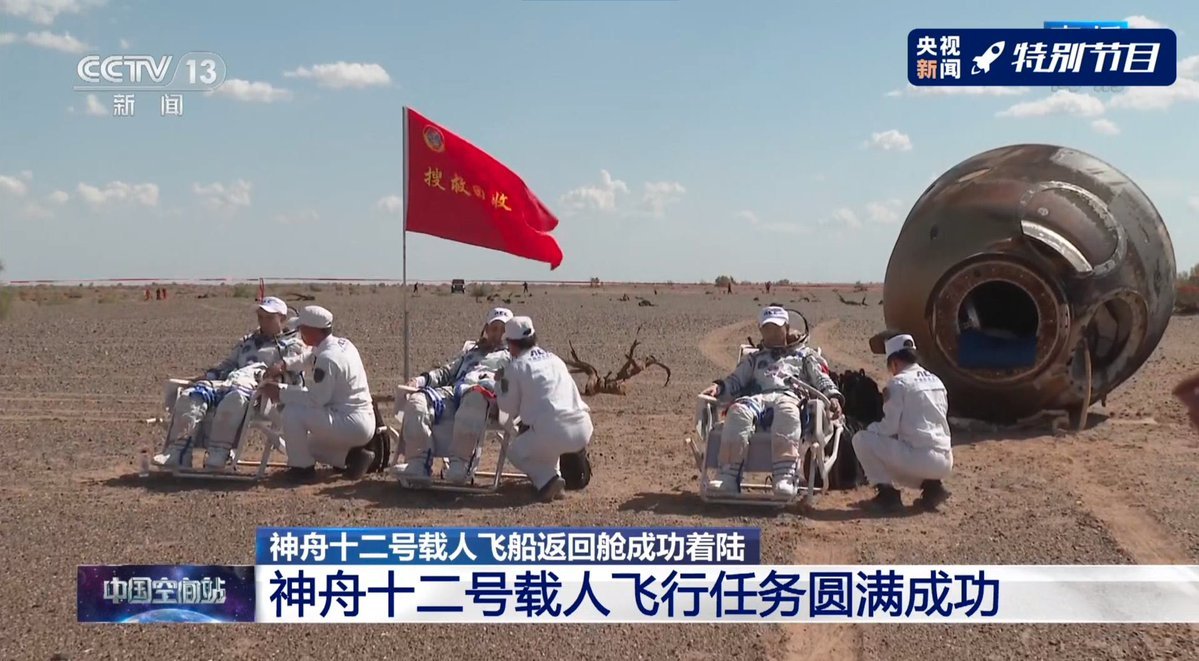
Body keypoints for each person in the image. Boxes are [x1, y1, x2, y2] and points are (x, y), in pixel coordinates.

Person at [701, 304, 844, 496]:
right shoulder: (755, 359)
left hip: (790, 396)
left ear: (786, 327)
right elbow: (736, 380)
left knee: (787, 412)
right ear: (761, 330)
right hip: (757, 398)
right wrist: (719, 387)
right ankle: (728, 476)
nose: (773, 333)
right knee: (737, 412)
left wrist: (833, 396)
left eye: (777, 328)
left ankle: (784, 476)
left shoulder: (804, 356)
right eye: (768, 328)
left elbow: (821, 379)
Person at [154, 296, 304, 469]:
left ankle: (219, 453)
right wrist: (204, 377)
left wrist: (270, 380)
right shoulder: (248, 341)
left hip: (259, 392)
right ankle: (178, 452)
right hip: (230, 382)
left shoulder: (292, 346)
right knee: (192, 395)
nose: (263, 322)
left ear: (282, 319)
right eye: (260, 317)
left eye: (269, 318)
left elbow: (292, 376)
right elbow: (228, 365)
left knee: (234, 400)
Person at [394, 307, 514, 484]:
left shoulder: (512, 355)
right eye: (494, 329)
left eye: (503, 330)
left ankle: (460, 465)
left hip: (485, 395)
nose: (498, 334)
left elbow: (515, 384)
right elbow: (446, 372)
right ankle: (418, 464)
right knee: (417, 402)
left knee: (474, 398)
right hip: (455, 391)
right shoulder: (471, 350)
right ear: (486, 330)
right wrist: (420, 381)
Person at [260, 305, 376, 482]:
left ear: (311, 330)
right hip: (360, 419)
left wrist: (280, 393)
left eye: (301, 329)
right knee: (306, 446)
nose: (299, 333)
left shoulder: (328, 359)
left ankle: (302, 470)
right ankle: (354, 458)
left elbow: (316, 399)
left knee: (293, 413)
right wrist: (284, 364)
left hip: (350, 422)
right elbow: (309, 357)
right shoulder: (341, 344)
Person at [496, 315, 594, 502]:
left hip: (554, 432)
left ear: (512, 344)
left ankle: (547, 480)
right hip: (582, 428)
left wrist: (500, 385)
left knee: (513, 448)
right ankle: (554, 478)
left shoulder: (516, 367)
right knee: (542, 437)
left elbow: (507, 408)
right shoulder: (554, 359)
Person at [851, 333, 953, 513]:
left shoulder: (898, 383)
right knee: (912, 443)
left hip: (920, 460)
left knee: (861, 440)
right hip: (945, 460)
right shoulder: (936, 380)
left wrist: (869, 428)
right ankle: (933, 488)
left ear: (895, 362)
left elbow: (888, 428)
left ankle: (887, 496)